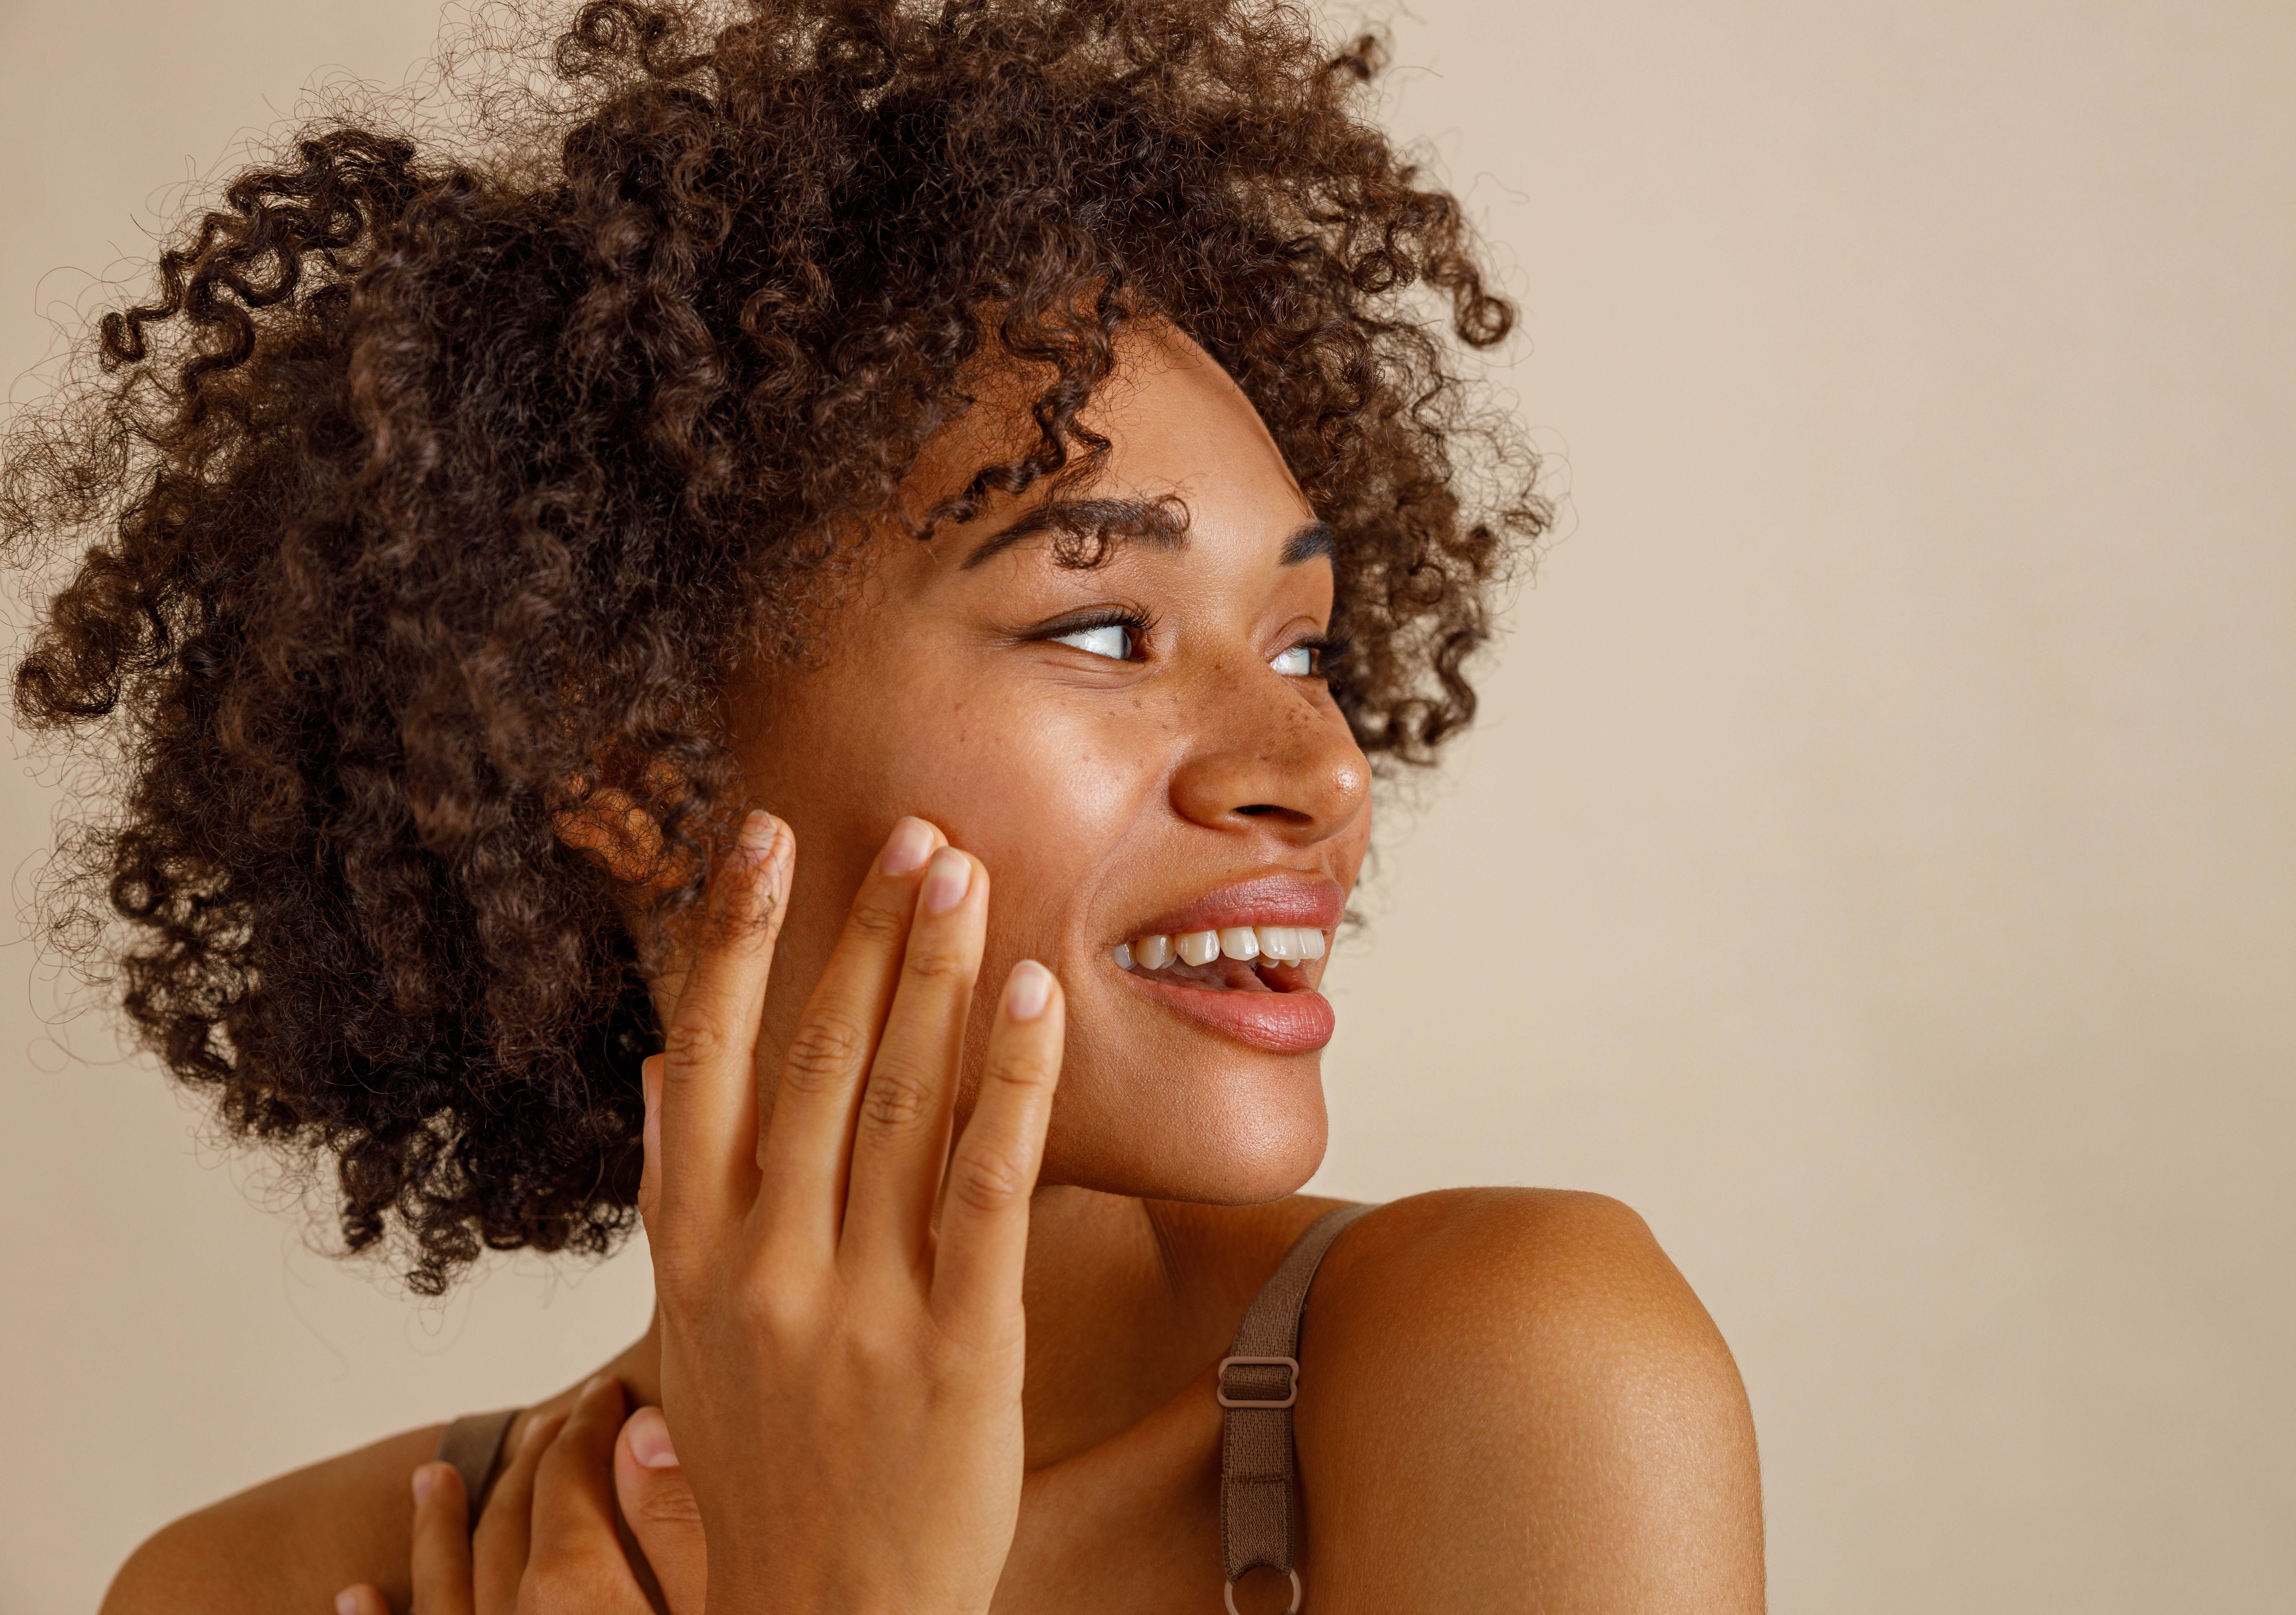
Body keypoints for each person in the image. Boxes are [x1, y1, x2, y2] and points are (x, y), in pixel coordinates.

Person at [1, 0, 1764, 1607]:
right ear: (621, 755)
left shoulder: (1515, 1374)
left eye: (1305, 648)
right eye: (1103, 627)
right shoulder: (259, 1589)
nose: (1316, 773)